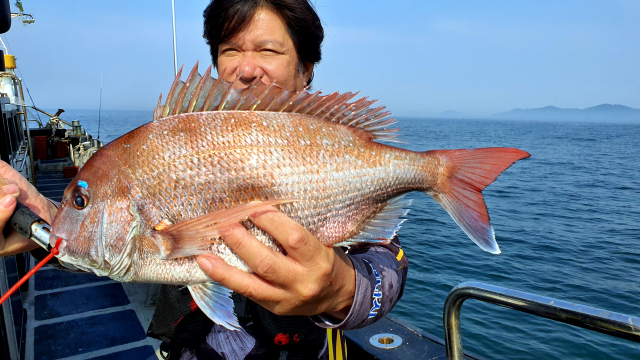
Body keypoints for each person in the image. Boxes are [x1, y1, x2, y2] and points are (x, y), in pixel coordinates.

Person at [0, 1, 409, 359]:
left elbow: (386, 270)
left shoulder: (339, 147)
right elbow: (115, 251)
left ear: (305, 69)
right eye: (230, 50)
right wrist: (41, 224)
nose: (246, 68)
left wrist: (340, 289)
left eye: (268, 49)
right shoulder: (170, 145)